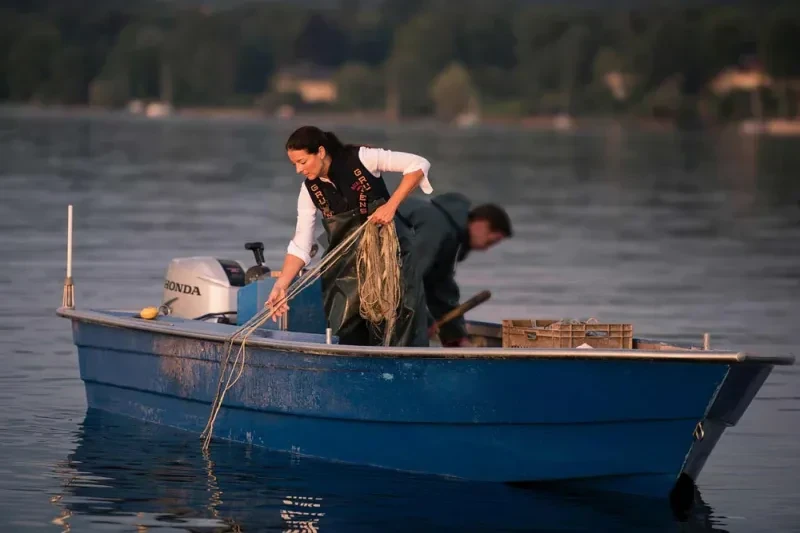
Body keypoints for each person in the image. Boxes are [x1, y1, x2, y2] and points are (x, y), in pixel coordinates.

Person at [266, 125, 431, 347]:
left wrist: (391, 206)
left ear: (320, 152)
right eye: (294, 164)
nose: (298, 170)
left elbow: (418, 164)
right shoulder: (309, 191)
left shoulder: (363, 158)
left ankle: (403, 362)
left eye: (302, 162)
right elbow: (301, 245)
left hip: (392, 259)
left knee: (401, 320)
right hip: (346, 270)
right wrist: (282, 284)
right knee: (344, 326)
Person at [397, 192, 512, 347]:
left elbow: (440, 288)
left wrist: (455, 335)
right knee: (416, 332)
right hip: (372, 276)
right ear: (481, 222)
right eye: (491, 240)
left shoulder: (450, 238)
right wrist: (426, 321)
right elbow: (406, 277)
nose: (486, 249)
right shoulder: (435, 225)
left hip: (396, 283)